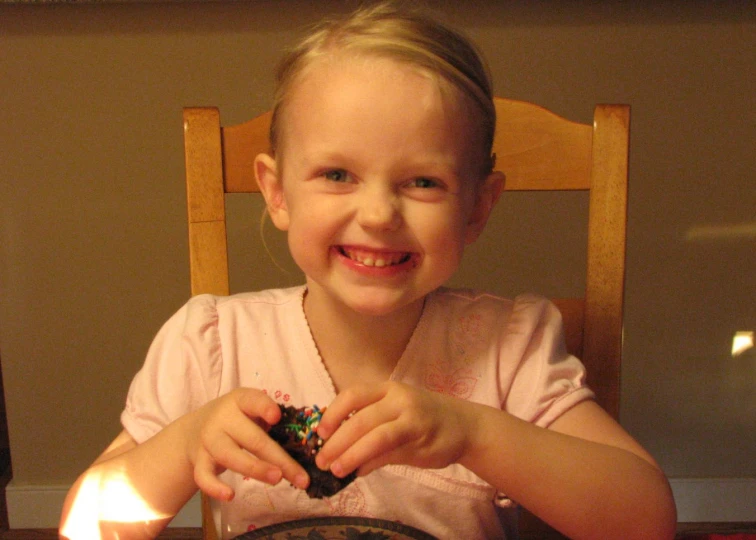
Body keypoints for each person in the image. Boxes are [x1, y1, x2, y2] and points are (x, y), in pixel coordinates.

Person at [60, 2, 676, 539]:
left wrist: (475, 436)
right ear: (277, 193)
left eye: (423, 182)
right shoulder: (212, 345)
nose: (379, 214)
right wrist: (186, 440)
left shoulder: (507, 348)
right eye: (337, 174)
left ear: (477, 209)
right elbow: (86, 526)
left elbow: (643, 521)